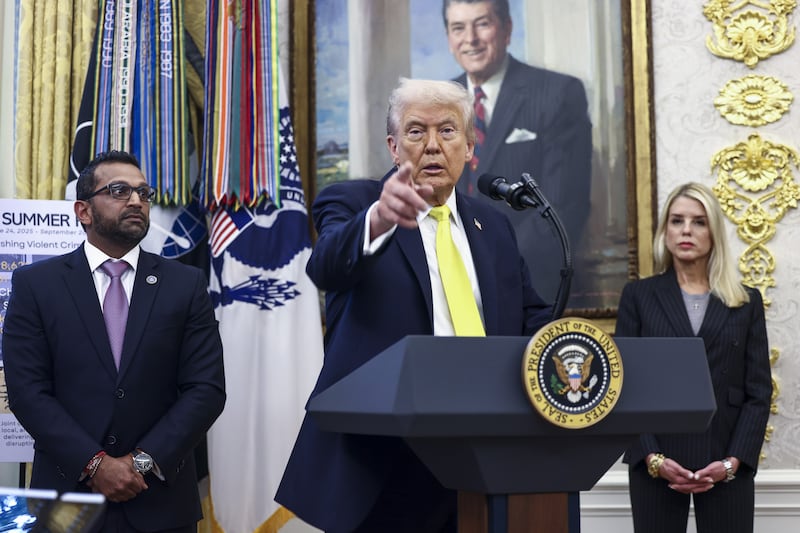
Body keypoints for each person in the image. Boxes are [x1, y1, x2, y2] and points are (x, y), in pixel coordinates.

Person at [275, 78, 552, 533]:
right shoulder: (352, 202)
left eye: (447, 131)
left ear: (469, 146)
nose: (432, 146)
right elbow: (326, 268)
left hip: (485, 453)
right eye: (416, 131)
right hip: (386, 462)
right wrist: (380, 218)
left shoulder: (494, 225)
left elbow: (529, 316)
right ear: (393, 146)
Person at [2, 150, 226, 532]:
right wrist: (94, 464)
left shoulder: (184, 285)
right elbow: (27, 392)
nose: (137, 201)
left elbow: (205, 390)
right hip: (66, 499)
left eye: (144, 192)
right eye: (119, 191)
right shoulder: (36, 285)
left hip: (159, 499)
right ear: (83, 211)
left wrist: (140, 463)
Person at [616, 182, 771, 533]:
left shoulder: (746, 301)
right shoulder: (639, 296)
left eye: (699, 222)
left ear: (713, 232)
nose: (686, 230)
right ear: (664, 232)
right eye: (677, 221)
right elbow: (623, 387)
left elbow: (758, 393)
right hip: (657, 460)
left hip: (726, 459)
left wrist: (732, 463)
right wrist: (653, 459)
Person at [443, 0, 593, 303]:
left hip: (525, 287)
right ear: (449, 38)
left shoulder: (557, 94)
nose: (470, 39)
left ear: (507, 29)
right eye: (458, 27)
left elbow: (561, 207)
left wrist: (486, 266)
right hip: (447, 290)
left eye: (482, 24)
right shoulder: (438, 102)